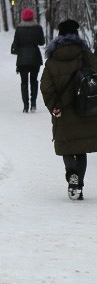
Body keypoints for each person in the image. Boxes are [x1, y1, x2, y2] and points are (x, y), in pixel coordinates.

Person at [40, 19, 97, 200]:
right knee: (81, 148)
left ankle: (71, 173)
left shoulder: (52, 60)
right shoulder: (85, 55)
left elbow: (46, 86)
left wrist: (53, 106)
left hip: (63, 110)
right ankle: (78, 185)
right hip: (85, 108)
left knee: (67, 146)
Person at [12, 8, 45, 112]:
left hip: (22, 58)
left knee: (24, 82)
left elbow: (15, 44)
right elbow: (41, 42)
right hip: (35, 57)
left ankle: (25, 106)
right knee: (34, 81)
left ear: (23, 17)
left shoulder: (19, 28)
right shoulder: (38, 28)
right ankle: (33, 103)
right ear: (32, 17)